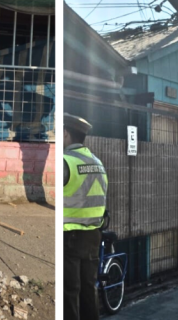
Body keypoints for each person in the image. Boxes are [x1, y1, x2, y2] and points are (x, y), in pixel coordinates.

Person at [63, 113, 108, 320]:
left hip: (70, 237)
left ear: (65, 134)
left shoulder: (66, 162)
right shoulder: (97, 163)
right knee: (89, 289)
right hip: (93, 236)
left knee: (70, 291)